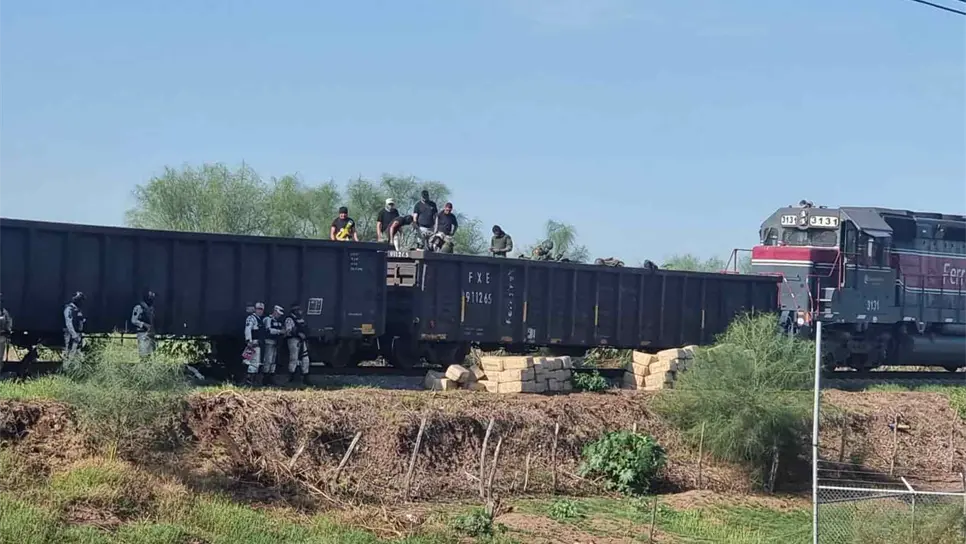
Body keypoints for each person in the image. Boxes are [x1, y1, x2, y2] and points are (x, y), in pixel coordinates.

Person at [284, 303, 310, 385]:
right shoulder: (289, 319)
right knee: (294, 358)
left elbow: (305, 328)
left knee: (305, 358)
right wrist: (298, 334)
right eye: (298, 310)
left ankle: (305, 377)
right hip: (293, 340)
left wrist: (305, 334)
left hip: (302, 340)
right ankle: (292, 376)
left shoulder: (300, 319)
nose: (300, 311)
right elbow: (289, 331)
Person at [63, 291, 86, 371]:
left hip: (78, 334)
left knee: (78, 353)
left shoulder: (78, 310)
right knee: (69, 353)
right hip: (71, 335)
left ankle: (77, 371)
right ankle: (66, 370)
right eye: (80, 300)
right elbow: (68, 323)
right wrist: (74, 335)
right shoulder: (69, 309)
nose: (82, 302)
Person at [130, 289, 157, 360]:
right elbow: (134, 320)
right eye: (150, 296)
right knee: (144, 355)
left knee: (151, 355)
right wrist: (144, 324)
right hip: (142, 334)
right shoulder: (139, 307)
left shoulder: (151, 308)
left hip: (151, 334)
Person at [243, 302, 264, 385]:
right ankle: (248, 379)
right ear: (255, 309)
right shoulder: (251, 318)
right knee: (250, 361)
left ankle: (252, 379)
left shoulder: (260, 319)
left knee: (256, 362)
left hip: (258, 342)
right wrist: (249, 341)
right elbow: (248, 329)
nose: (260, 311)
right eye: (258, 309)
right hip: (253, 342)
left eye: (261, 309)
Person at [261, 305, 285, 380]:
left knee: (274, 360)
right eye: (278, 313)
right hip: (269, 341)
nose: (279, 315)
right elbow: (268, 330)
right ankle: (265, 377)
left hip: (276, 342)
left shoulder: (279, 321)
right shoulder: (268, 319)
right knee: (268, 359)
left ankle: (271, 375)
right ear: (274, 311)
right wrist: (279, 331)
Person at [0, 294, 12, 363]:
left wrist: (8, 331)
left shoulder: (5, 312)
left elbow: (9, 322)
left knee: (0, 357)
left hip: (2, 337)